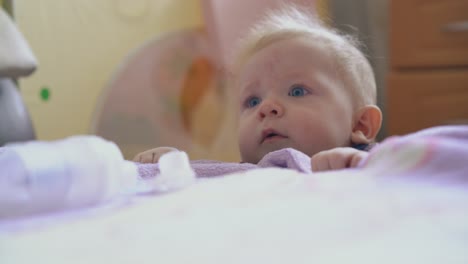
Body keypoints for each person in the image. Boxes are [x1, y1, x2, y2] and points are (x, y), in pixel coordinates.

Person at [133, 5, 382, 172]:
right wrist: (172, 167)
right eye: (252, 101)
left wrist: (363, 168)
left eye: (297, 91)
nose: (266, 107)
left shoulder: (381, 162)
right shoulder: (243, 174)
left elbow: (417, 159)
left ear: (360, 125)